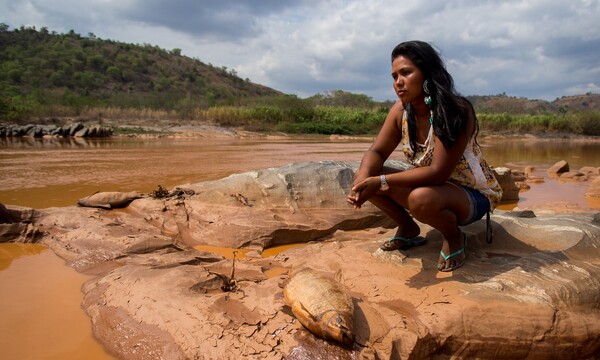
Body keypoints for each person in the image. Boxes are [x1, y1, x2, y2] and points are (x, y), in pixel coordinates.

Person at [347, 40, 502, 272]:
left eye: (406, 73)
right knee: (364, 175)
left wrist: (380, 181)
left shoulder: (455, 109)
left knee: (420, 198)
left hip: (473, 195)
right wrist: (364, 179)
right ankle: (408, 228)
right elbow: (377, 151)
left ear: (428, 73)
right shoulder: (400, 111)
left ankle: (454, 236)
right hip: (433, 189)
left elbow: (438, 173)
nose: (398, 82)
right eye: (394, 76)